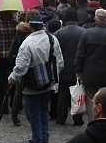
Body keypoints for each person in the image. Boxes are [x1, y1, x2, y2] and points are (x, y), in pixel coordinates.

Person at [8, 9, 64, 143]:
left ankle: (38, 138)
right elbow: (60, 61)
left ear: (30, 26)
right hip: (49, 82)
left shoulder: (27, 43)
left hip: (31, 85)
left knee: (33, 113)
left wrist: (11, 79)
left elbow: (21, 67)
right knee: (44, 109)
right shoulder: (52, 39)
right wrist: (52, 76)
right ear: (42, 25)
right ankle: (44, 137)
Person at [75, 8, 106, 121]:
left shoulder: (86, 33)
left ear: (96, 18)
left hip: (89, 71)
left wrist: (78, 70)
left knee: (92, 99)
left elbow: (80, 54)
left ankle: (93, 121)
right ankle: (105, 120)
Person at [54, 7, 86, 126]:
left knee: (62, 96)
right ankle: (77, 119)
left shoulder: (59, 33)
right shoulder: (83, 32)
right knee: (77, 94)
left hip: (62, 68)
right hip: (78, 68)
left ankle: (61, 118)